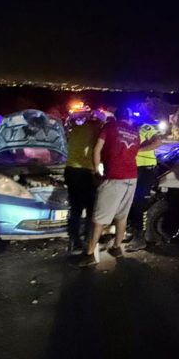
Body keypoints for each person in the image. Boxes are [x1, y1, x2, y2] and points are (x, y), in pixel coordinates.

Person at [75, 104, 162, 267]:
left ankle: (89, 255)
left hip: (114, 176)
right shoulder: (134, 132)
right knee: (122, 215)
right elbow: (136, 150)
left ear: (116, 116)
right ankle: (116, 247)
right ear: (129, 118)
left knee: (99, 218)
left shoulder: (110, 126)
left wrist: (96, 170)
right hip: (132, 177)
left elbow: (97, 149)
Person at [64, 109, 101, 255]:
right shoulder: (96, 128)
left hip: (71, 170)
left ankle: (74, 240)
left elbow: (71, 121)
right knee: (91, 208)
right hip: (86, 171)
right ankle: (88, 239)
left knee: (75, 207)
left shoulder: (76, 128)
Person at [126, 113, 164, 251]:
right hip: (133, 169)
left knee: (138, 203)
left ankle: (139, 239)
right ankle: (132, 231)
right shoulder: (127, 130)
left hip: (145, 170)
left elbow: (158, 142)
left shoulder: (145, 128)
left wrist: (136, 150)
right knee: (130, 202)